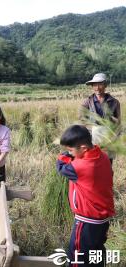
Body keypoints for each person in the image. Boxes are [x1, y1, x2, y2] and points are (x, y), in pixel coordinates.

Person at [56, 125, 115, 267]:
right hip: (102, 219)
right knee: (96, 252)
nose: (70, 152)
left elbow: (60, 165)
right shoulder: (103, 157)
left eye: (71, 150)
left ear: (83, 148)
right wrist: (73, 152)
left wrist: (66, 155)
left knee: (77, 257)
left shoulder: (81, 167)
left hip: (86, 221)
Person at [80, 73, 121, 164]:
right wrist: (93, 129)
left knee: (107, 165)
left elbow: (118, 122)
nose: (97, 87)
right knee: (93, 165)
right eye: (94, 85)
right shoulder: (87, 102)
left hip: (109, 139)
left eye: (100, 84)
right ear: (92, 86)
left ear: (105, 85)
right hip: (92, 139)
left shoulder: (114, 102)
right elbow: (82, 119)